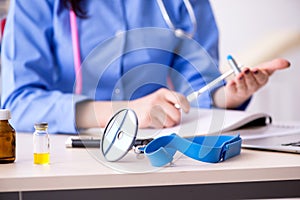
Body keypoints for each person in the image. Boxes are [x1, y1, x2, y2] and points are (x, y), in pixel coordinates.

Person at [1, 0, 289, 134]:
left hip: (160, 153)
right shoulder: (33, 4)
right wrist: (124, 112)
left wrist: (230, 95)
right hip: (64, 158)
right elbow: (18, 104)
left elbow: (197, 85)